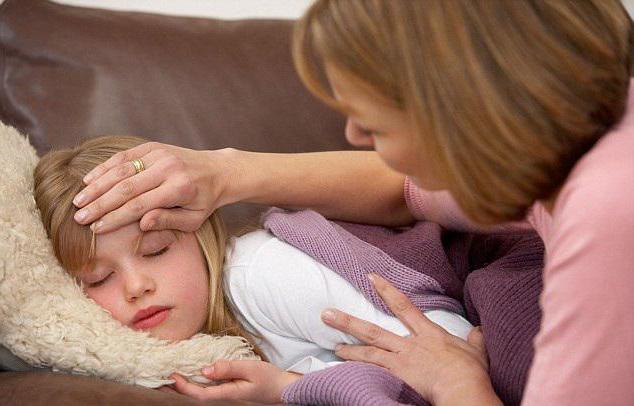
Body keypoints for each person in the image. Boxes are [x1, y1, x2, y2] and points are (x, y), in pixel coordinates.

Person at [71, 1, 634, 404]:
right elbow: (405, 192)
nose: (354, 137)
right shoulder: (574, 144)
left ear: (460, 105)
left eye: (372, 121)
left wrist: (459, 385)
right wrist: (222, 173)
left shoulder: (609, 209)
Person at [34, 135, 474, 403]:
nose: (136, 286)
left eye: (156, 251)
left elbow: (448, 349)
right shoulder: (161, 352)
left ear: (200, 232)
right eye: (99, 279)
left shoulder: (261, 272)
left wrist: (294, 387)